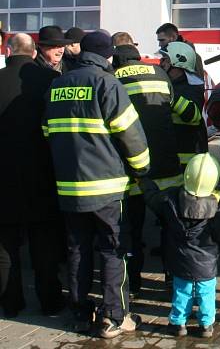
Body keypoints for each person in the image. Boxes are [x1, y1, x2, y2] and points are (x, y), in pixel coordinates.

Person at [43, 30, 150, 338]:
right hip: (106, 187)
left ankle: (79, 313)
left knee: (77, 250)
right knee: (113, 250)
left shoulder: (56, 86)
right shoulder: (107, 83)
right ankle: (115, 317)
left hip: (69, 186)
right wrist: (142, 169)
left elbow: (48, 133)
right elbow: (130, 134)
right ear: (107, 56)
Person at [112, 33, 182, 296]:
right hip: (166, 163)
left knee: (131, 229)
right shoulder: (160, 74)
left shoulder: (113, 78)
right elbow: (174, 107)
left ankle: (134, 284)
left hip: (132, 167)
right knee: (170, 227)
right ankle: (171, 277)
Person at [0, 33, 65, 317]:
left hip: (4, 177)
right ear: (32, 51)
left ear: (8, 51)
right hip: (44, 174)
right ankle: (50, 302)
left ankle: (10, 303)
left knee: (5, 246)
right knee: (44, 244)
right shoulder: (50, 82)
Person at [139, 153, 220, 338]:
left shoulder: (170, 200)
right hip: (207, 268)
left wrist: (144, 181)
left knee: (181, 294)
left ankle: (177, 324)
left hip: (179, 263)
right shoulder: (218, 210)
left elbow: (152, 198)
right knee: (207, 296)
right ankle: (206, 325)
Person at [160, 41, 208, 166]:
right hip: (172, 153)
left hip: (190, 155)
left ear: (177, 62)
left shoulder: (193, 85)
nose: (162, 63)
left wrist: (171, 96)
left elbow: (193, 116)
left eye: (165, 60)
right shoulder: (171, 84)